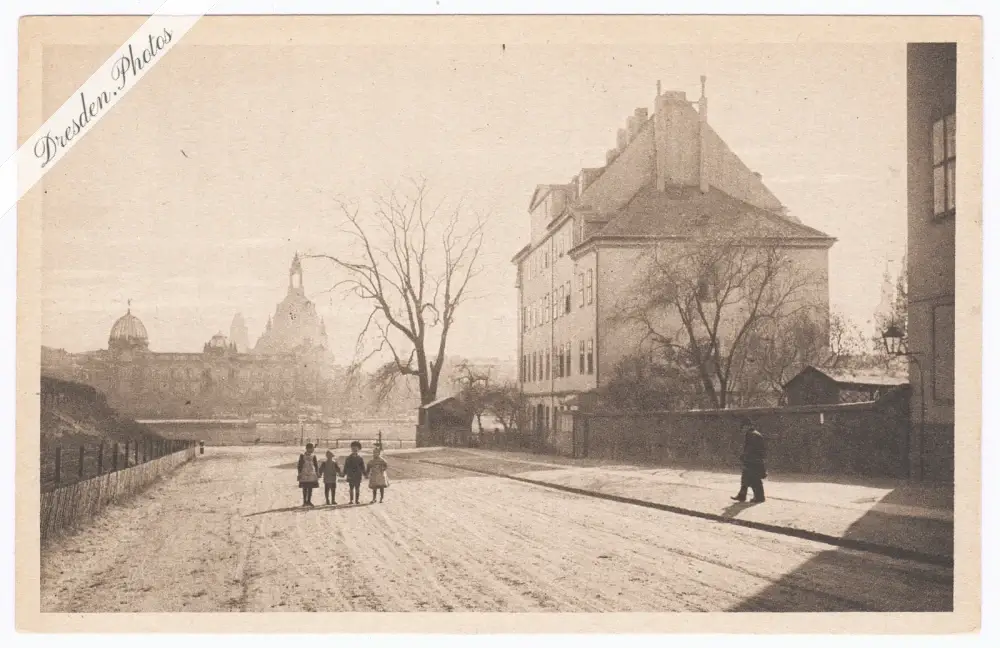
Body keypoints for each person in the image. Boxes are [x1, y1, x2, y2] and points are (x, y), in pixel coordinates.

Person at [732, 418, 767, 503]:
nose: (742, 429)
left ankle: (759, 497)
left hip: (753, 460)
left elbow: (750, 448)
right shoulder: (754, 433)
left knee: (754, 479)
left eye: (743, 427)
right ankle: (742, 495)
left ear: (747, 426)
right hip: (754, 459)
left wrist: (744, 456)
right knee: (745, 477)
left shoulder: (751, 434)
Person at [297, 443, 320, 507]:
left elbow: (316, 465)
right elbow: (299, 465)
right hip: (304, 473)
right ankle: (305, 501)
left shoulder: (314, 456)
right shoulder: (302, 456)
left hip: (311, 474)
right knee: (304, 488)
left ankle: (309, 501)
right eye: (312, 448)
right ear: (308, 448)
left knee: (310, 487)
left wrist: (317, 472)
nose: (313, 449)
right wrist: (299, 473)